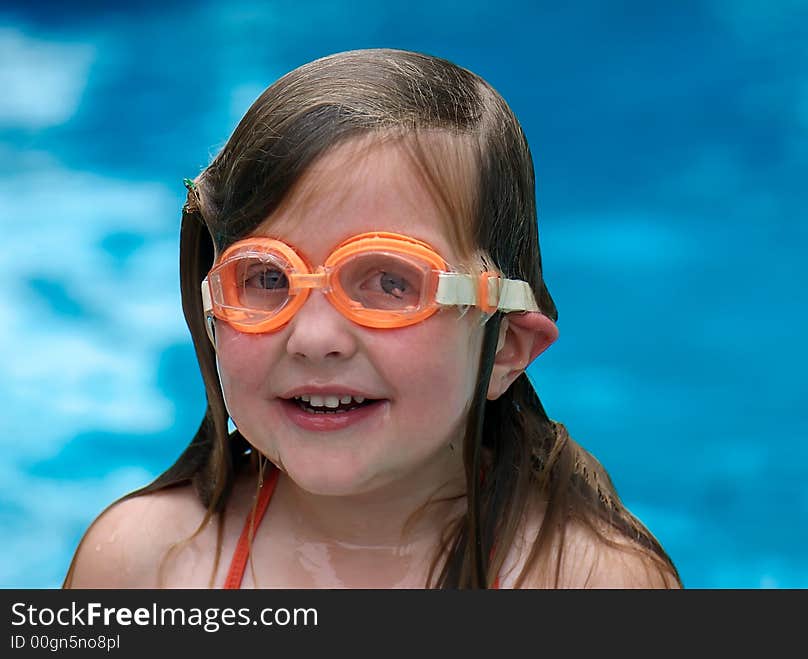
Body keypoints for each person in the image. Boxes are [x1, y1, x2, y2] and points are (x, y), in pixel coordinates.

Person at [63, 48, 682, 589]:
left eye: (390, 283)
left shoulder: (585, 584)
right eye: (268, 279)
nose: (314, 338)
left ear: (506, 349)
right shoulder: (144, 564)